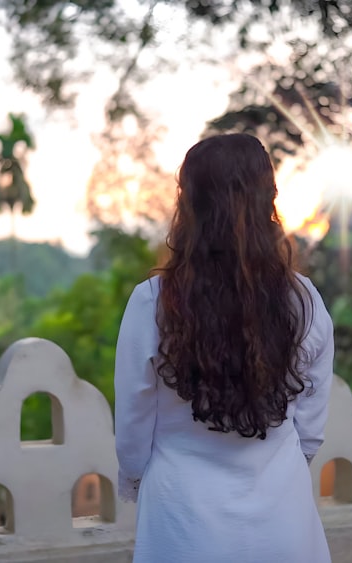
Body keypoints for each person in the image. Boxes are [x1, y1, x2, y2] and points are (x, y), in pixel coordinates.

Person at [113, 133, 335, 563]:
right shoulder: (304, 301)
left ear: (190, 206)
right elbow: (310, 429)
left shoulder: (153, 302)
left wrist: (138, 482)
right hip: (283, 521)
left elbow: (133, 428)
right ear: (268, 201)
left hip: (181, 523)